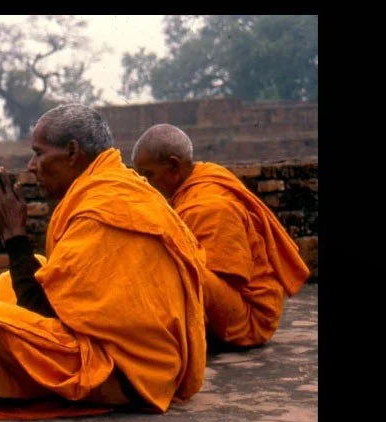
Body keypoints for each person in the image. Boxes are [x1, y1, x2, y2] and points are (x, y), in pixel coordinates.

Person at [0, 104, 207, 422]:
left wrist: (13, 235)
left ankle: (45, 386)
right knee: (8, 282)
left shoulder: (102, 208)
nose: (31, 167)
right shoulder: (114, 187)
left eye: (38, 153)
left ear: (72, 152)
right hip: (147, 361)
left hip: (128, 374)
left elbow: (45, 311)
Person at [131, 124, 310, 350]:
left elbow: (221, 280)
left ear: (174, 165)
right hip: (228, 301)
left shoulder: (210, 206)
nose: (145, 184)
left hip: (250, 317)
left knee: (173, 265)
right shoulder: (198, 181)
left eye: (149, 175)